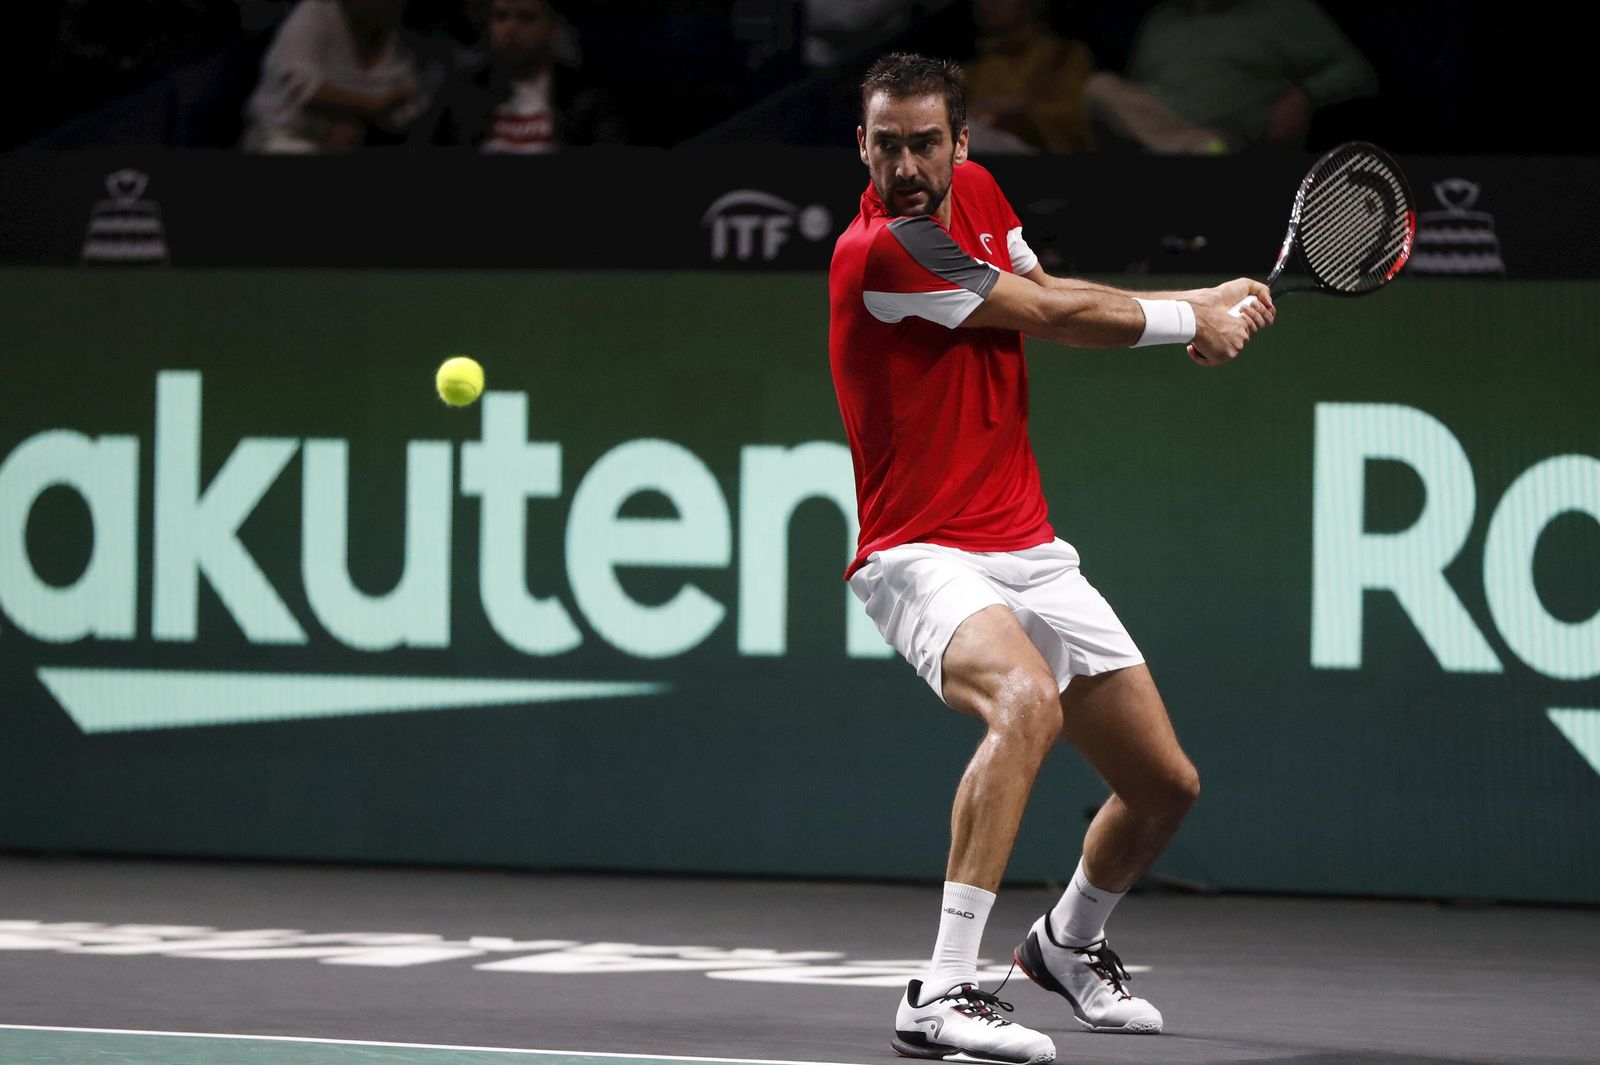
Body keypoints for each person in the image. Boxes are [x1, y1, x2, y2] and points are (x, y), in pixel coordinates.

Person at [828, 53, 1273, 1063]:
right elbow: (1046, 315)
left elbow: (1054, 293)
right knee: (1023, 703)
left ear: (961, 144)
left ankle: (1066, 945)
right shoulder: (886, 247)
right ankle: (941, 989)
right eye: (885, 143)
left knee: (1164, 787)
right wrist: (1186, 319)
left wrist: (1190, 304)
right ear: (862, 145)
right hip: (916, 550)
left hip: (1026, 546)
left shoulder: (978, 195)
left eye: (924, 143)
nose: (904, 163)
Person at [1086, 0, 1377, 154]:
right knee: (1099, 88)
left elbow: (1356, 72)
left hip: (1243, 148)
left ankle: (1206, 150)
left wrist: (1307, 95)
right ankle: (1198, 147)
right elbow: (1133, 97)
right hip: (1156, 154)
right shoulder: (1161, 21)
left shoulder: (1284, 10)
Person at [414, 0, 623, 151]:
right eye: (501, 16)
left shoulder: (586, 95)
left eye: (526, 17)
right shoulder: (462, 92)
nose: (511, 29)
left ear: (552, 29)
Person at [241, 0, 423, 153]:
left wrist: (359, 123)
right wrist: (374, 106)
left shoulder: (402, 49)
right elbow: (304, 90)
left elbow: (404, 110)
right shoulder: (315, 12)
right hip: (282, 136)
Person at [964, 0, 1096, 154]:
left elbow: (1081, 122)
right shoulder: (973, 70)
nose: (985, 4)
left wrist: (1023, 112)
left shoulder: (1064, 56)